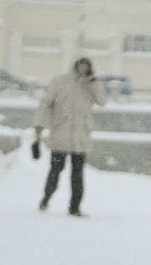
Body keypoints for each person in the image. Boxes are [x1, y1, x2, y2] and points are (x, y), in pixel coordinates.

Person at [33, 56, 108, 215]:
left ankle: (74, 207)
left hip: (80, 138)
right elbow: (45, 103)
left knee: (77, 175)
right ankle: (46, 197)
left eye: (86, 66)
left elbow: (102, 101)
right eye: (81, 65)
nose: (83, 69)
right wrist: (39, 127)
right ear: (75, 66)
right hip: (61, 135)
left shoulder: (91, 85)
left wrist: (94, 83)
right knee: (55, 170)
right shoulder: (60, 82)